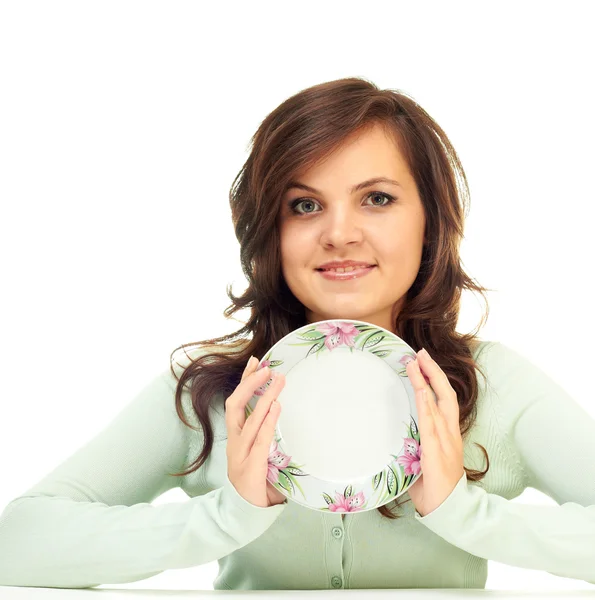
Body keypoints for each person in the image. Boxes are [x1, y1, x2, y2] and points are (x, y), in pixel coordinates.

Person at [1, 77, 595, 591]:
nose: (339, 233)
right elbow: (18, 541)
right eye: (305, 206)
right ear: (270, 231)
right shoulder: (212, 391)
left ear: (432, 223)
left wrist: (465, 515)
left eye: (377, 199)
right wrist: (225, 517)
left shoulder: (494, 387)